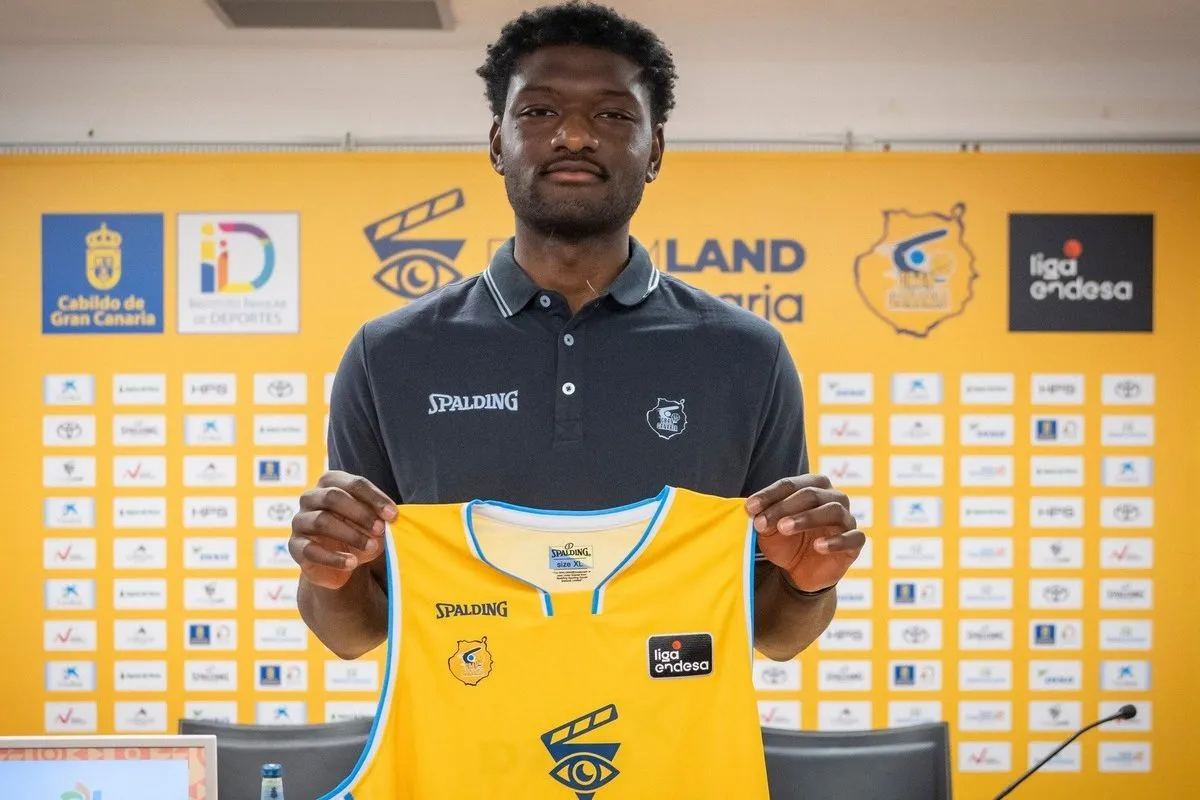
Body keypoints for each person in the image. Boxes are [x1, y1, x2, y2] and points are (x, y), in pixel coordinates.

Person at [291, 0, 866, 666]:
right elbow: (352, 633)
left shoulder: (746, 354)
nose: (573, 136)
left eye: (613, 115)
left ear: (654, 151)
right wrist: (328, 571)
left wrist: (807, 583)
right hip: (463, 729)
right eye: (538, 111)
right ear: (497, 144)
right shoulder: (388, 354)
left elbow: (775, 634)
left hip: (676, 733)